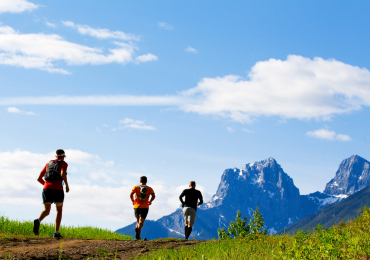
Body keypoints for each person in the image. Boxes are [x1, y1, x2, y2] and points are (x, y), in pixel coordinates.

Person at [33, 149, 70, 238]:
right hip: (58, 189)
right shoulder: (63, 163)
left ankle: (38, 220)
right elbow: (62, 174)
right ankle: (56, 233)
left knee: (46, 210)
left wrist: (46, 185)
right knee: (59, 210)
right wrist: (67, 186)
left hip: (47, 189)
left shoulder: (48, 164)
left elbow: (39, 178)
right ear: (63, 156)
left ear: (56, 156)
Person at [130, 176, 155, 240]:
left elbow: (131, 194)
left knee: (138, 222)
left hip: (136, 206)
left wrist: (133, 200)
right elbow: (153, 195)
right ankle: (138, 232)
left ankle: (138, 237)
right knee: (141, 222)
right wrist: (150, 201)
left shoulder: (136, 187)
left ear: (140, 181)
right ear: (146, 181)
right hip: (145, 207)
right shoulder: (149, 188)